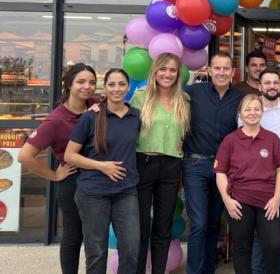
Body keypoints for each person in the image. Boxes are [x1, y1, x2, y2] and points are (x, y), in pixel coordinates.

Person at [18, 63, 97, 274]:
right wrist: (54, 175)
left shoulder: (97, 105)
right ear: (69, 84)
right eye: (81, 82)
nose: (87, 87)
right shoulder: (56, 119)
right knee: (74, 235)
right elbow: (25, 156)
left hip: (98, 180)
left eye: (91, 82)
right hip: (72, 182)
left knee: (94, 235)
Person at [64, 68, 141, 274]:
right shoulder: (91, 117)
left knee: (131, 248)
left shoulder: (136, 116)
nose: (117, 89)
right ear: (105, 88)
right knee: (97, 252)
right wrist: (102, 166)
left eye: (122, 84)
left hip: (126, 192)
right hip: (93, 193)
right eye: (112, 84)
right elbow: (70, 155)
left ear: (128, 87)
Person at [183, 52, 244, 274]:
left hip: (224, 170)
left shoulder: (240, 98)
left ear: (232, 72)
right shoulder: (192, 92)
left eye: (225, 68)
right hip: (195, 166)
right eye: (216, 68)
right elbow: (164, 97)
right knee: (198, 224)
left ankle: (208, 269)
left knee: (213, 224)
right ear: (209, 71)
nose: (221, 72)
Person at [130, 53, 191, 274]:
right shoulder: (140, 98)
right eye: (163, 69)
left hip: (171, 167)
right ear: (154, 71)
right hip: (143, 162)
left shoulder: (184, 101)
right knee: (141, 226)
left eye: (172, 70)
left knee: (163, 226)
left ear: (178, 74)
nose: (167, 74)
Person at [215, 94, 280, 274]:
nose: (252, 113)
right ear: (240, 113)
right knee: (241, 247)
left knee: (274, 245)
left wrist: (277, 198)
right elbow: (220, 173)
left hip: (268, 202)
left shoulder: (272, 139)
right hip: (239, 202)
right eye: (247, 109)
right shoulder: (230, 140)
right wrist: (227, 200)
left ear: (262, 113)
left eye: (256, 109)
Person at [252, 69, 280, 274]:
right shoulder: (251, 109)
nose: (271, 86)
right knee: (260, 232)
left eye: (275, 83)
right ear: (260, 86)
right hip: (256, 180)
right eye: (267, 82)